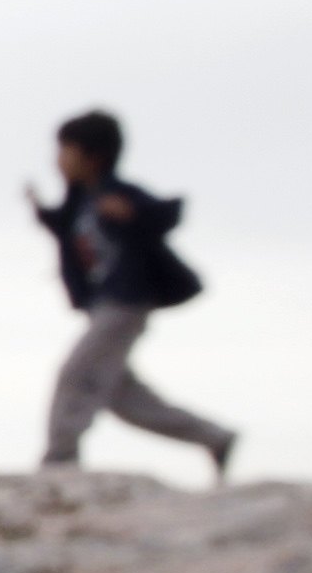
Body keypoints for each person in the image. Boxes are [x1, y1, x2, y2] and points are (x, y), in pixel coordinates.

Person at [28, 110, 236, 480]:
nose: (57, 160)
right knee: (124, 399)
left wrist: (133, 213)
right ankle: (215, 438)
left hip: (125, 303)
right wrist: (40, 211)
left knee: (77, 373)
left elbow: (167, 213)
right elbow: (63, 228)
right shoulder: (80, 202)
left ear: (93, 156)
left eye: (65, 150)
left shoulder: (116, 194)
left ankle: (60, 459)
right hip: (101, 306)